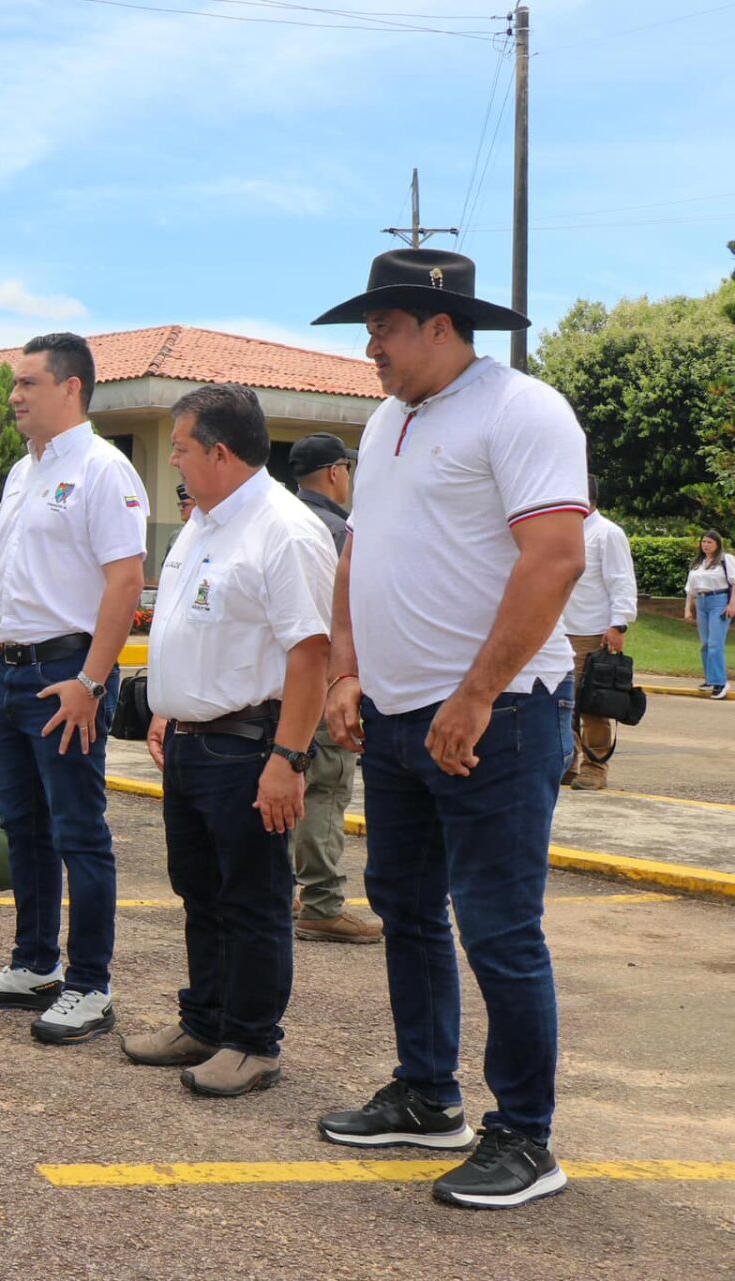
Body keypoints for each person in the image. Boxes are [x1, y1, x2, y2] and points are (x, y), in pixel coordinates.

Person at [312, 247, 588, 1210]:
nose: (370, 346)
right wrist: (348, 671)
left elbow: (554, 558)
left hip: (498, 717)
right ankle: (428, 1093)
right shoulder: (389, 419)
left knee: (501, 927)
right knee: (407, 906)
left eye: (383, 327)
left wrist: (476, 693)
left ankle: (526, 1137)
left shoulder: (522, 410)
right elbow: (357, 557)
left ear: (439, 325)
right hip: (393, 718)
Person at [128, 385, 335, 1097]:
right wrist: (167, 707)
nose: (175, 462)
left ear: (219, 451)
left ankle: (253, 1041)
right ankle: (207, 1020)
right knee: (200, 892)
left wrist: (289, 757)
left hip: (249, 746)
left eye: (181, 449)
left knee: (251, 897)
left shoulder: (284, 528)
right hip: (190, 743)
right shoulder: (204, 523)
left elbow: (310, 653)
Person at [0, 334, 147, 1046]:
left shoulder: (103, 468)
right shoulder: (20, 472)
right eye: (15, 383)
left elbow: (125, 581)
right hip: (15, 674)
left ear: (71, 388)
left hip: (70, 674)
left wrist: (92, 681)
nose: (14, 395)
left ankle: (89, 983)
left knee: (78, 832)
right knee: (23, 828)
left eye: (28, 383)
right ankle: (33, 963)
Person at [287, 432, 381, 944]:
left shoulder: (282, 520)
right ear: (335, 472)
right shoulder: (339, 530)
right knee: (325, 788)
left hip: (279, 685)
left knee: (282, 787)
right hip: (323, 678)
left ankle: (284, 895)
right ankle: (322, 904)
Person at [561, 478, 638, 787]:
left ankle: (596, 767)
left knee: (592, 703)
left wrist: (618, 624)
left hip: (592, 631)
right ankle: (568, 761)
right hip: (560, 630)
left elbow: (622, 581)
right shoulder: (567, 532)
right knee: (562, 703)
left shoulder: (607, 533)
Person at [684, 530, 733, 699]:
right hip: (701, 602)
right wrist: (688, 609)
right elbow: (691, 589)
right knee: (705, 643)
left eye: (709, 542)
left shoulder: (726, 560)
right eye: (703, 542)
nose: (705, 545)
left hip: (719, 600)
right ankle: (710, 679)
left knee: (715, 643)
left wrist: (732, 605)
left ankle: (721, 682)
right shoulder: (698, 563)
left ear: (717, 544)